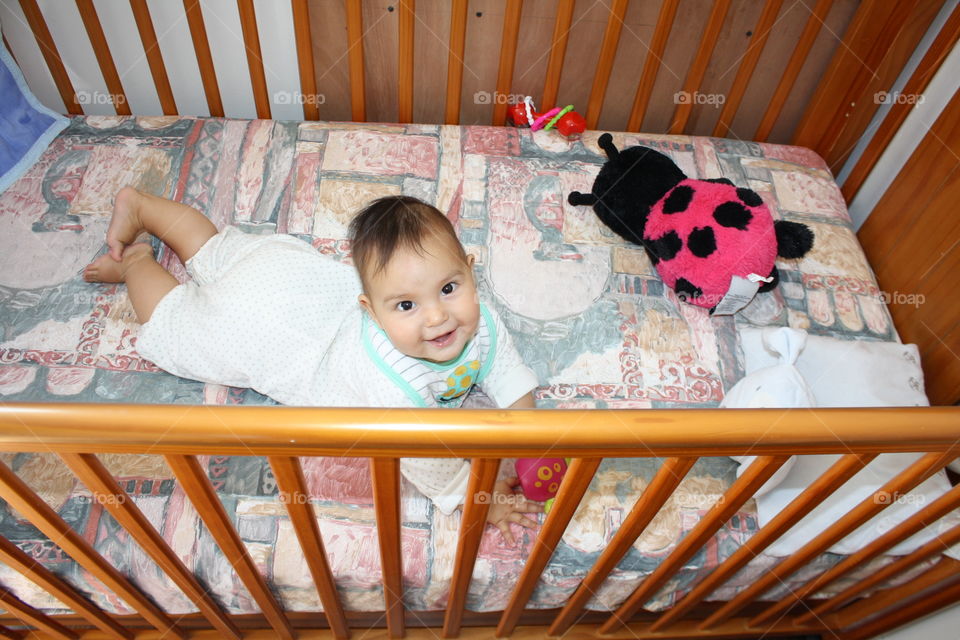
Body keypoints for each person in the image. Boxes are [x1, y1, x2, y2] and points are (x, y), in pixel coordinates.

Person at [83, 188, 541, 542]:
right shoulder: (391, 387)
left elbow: (505, 368)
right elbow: (433, 466)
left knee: (216, 249)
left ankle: (142, 204)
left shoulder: (480, 320)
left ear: (469, 269)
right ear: (371, 310)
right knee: (175, 324)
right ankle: (136, 262)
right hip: (267, 330)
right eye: (405, 305)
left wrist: (528, 440)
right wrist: (485, 499)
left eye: (447, 288)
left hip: (292, 277)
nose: (437, 316)